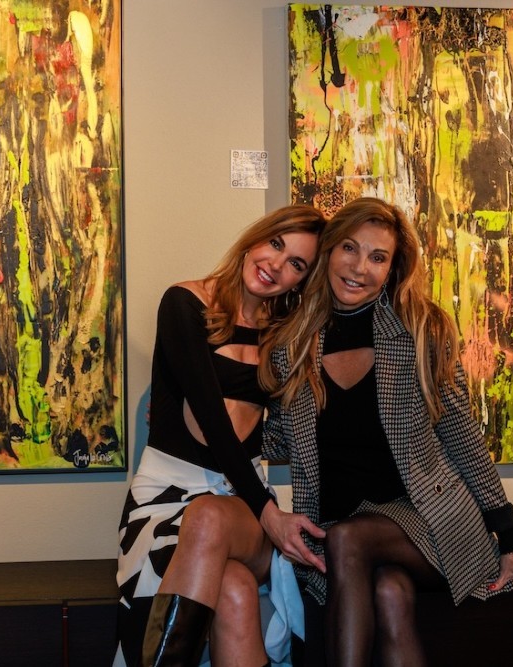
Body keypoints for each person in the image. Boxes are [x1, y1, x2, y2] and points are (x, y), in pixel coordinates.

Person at [260, 197, 513, 666]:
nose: (360, 268)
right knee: (389, 592)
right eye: (350, 249)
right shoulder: (291, 343)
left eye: (377, 257)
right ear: (328, 251)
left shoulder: (420, 330)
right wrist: (205, 409)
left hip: (427, 520)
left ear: (392, 269)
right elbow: (276, 439)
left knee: (348, 541)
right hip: (336, 524)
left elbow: (461, 435)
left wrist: (511, 539)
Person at [115, 204, 327, 667]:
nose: (276, 264)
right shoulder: (183, 303)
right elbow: (213, 421)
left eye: (296, 263)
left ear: (301, 281)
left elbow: (286, 432)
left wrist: (264, 508)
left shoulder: (284, 336)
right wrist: (270, 513)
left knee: (209, 516)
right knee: (233, 587)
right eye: (276, 244)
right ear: (255, 238)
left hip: (237, 501)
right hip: (165, 497)